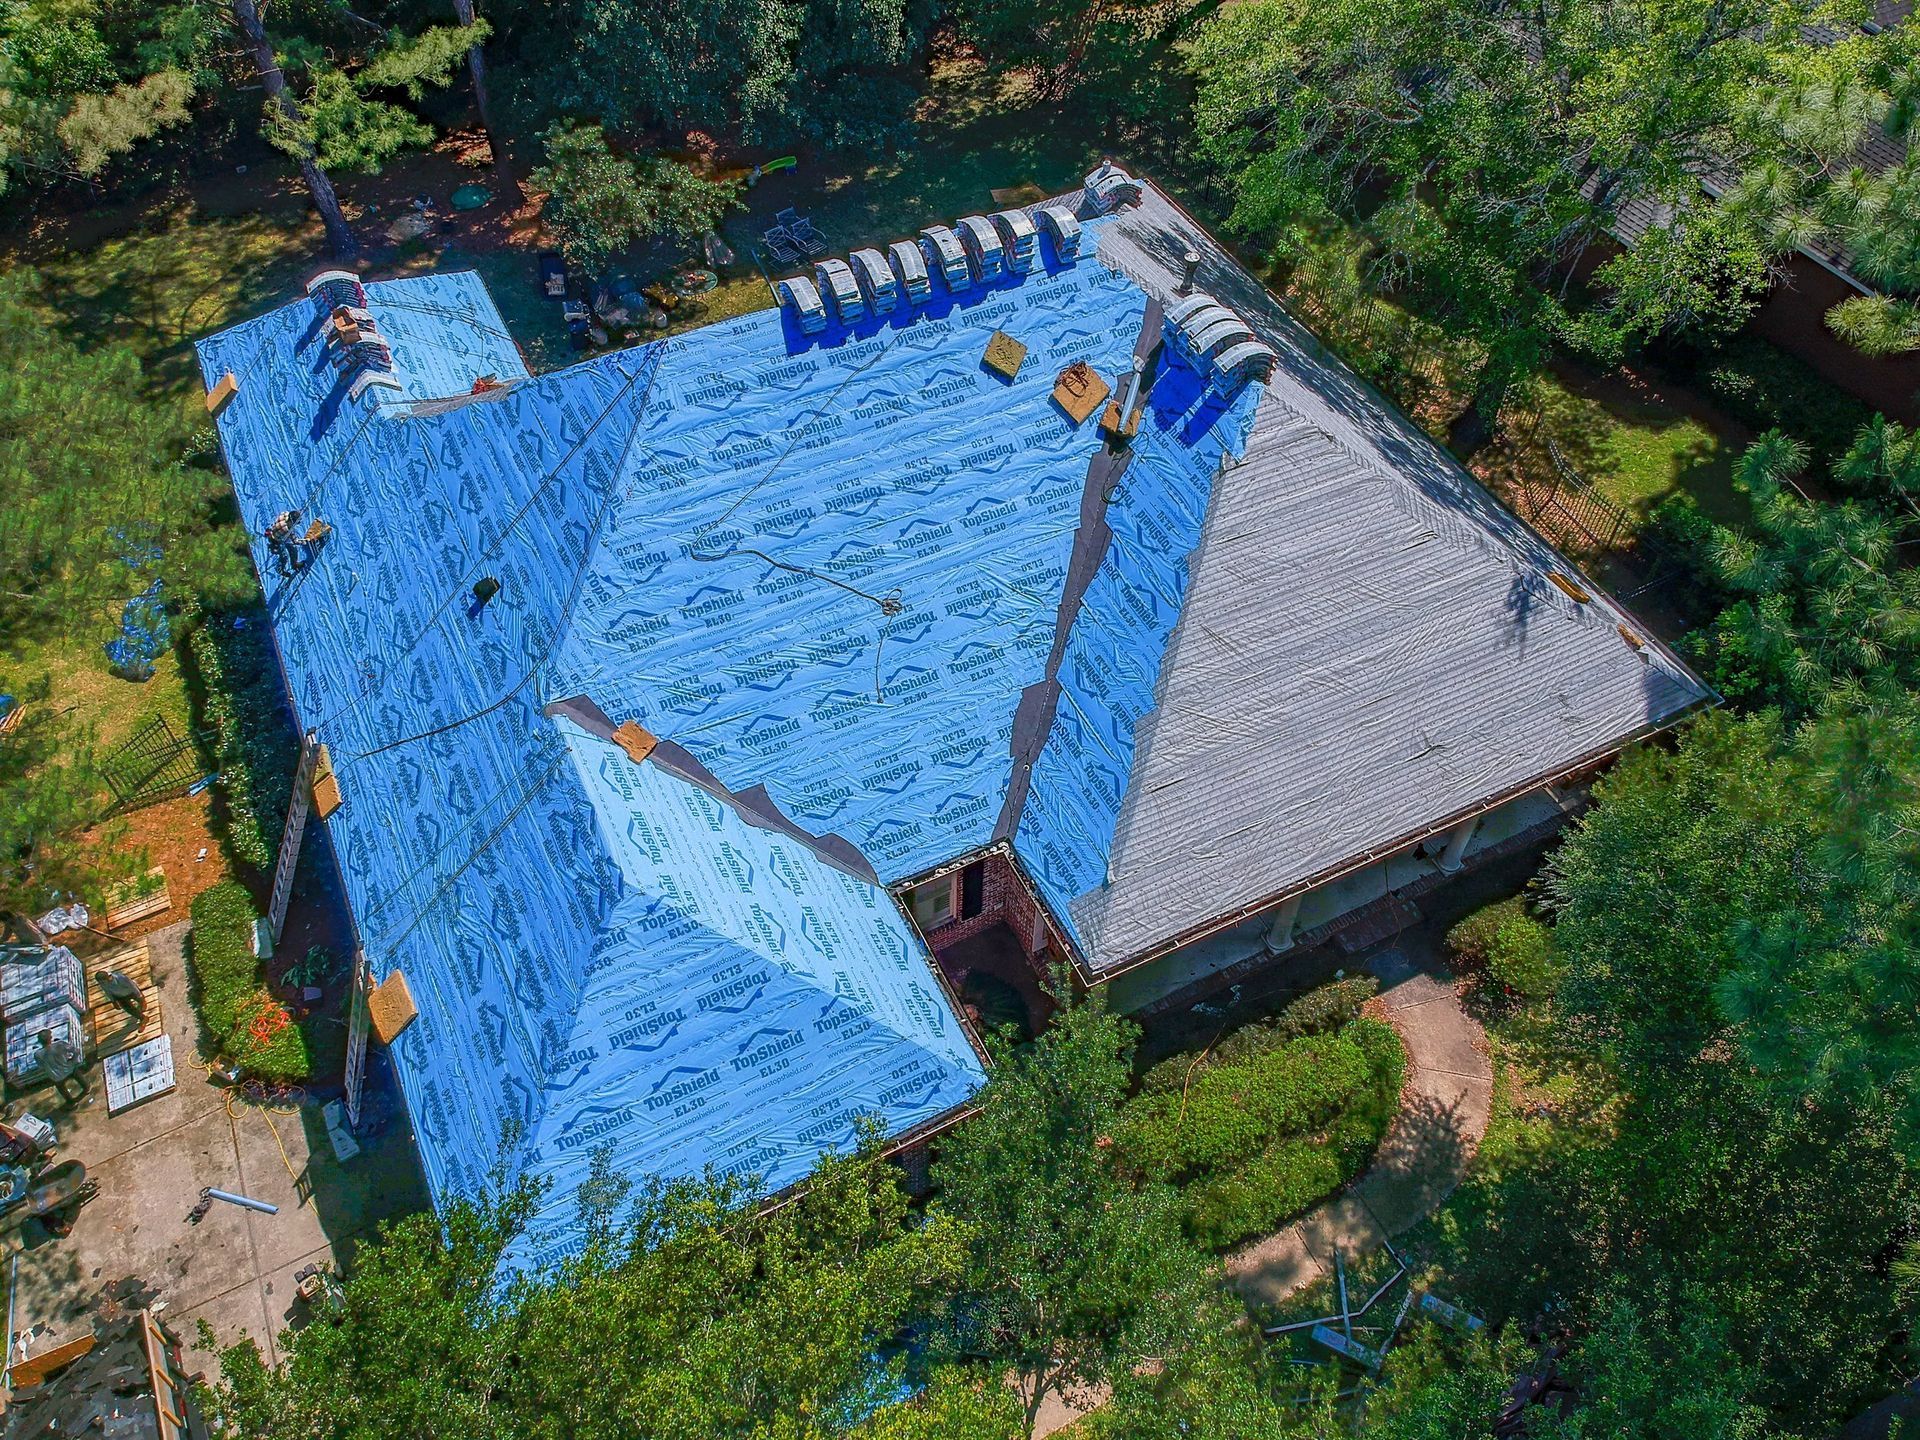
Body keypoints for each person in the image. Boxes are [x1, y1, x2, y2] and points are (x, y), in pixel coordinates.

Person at [37, 1032, 87, 1106]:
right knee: (77, 1074)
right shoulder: (60, 1044)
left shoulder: (38, 1054)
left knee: (61, 1088)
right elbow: (76, 1051)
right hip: (69, 1068)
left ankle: (71, 1102)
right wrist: (73, 1060)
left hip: (57, 1076)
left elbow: (41, 1067)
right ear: (50, 1038)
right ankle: (86, 1088)